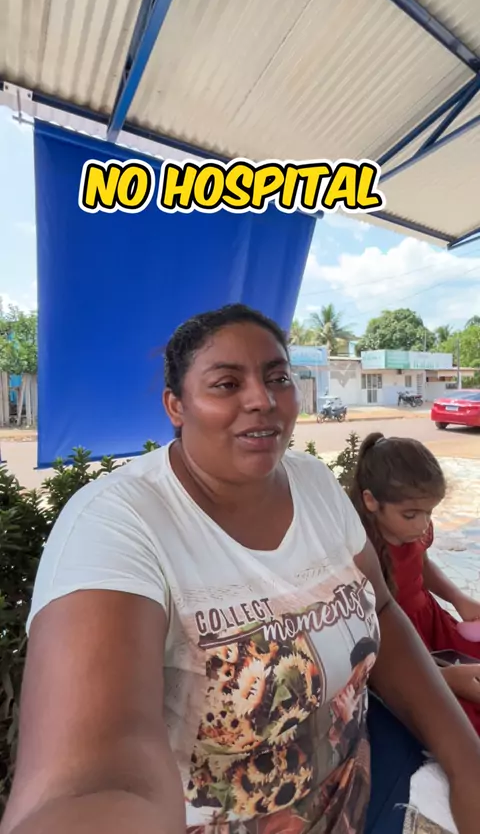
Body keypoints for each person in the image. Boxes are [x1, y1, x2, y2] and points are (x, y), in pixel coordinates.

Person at [3, 305, 480, 834]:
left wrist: (466, 760)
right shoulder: (116, 523)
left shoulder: (315, 484)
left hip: (368, 790)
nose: (262, 399)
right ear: (176, 406)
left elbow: (383, 611)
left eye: (278, 378)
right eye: (227, 384)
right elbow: (94, 774)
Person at [350, 431, 480, 735]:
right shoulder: (359, 552)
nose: (422, 525)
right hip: (397, 646)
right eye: (410, 515)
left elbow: (422, 564)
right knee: (456, 718)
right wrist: (443, 679)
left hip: (431, 623)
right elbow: (374, 652)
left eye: (429, 513)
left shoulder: (415, 531)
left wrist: (458, 597)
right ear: (371, 501)